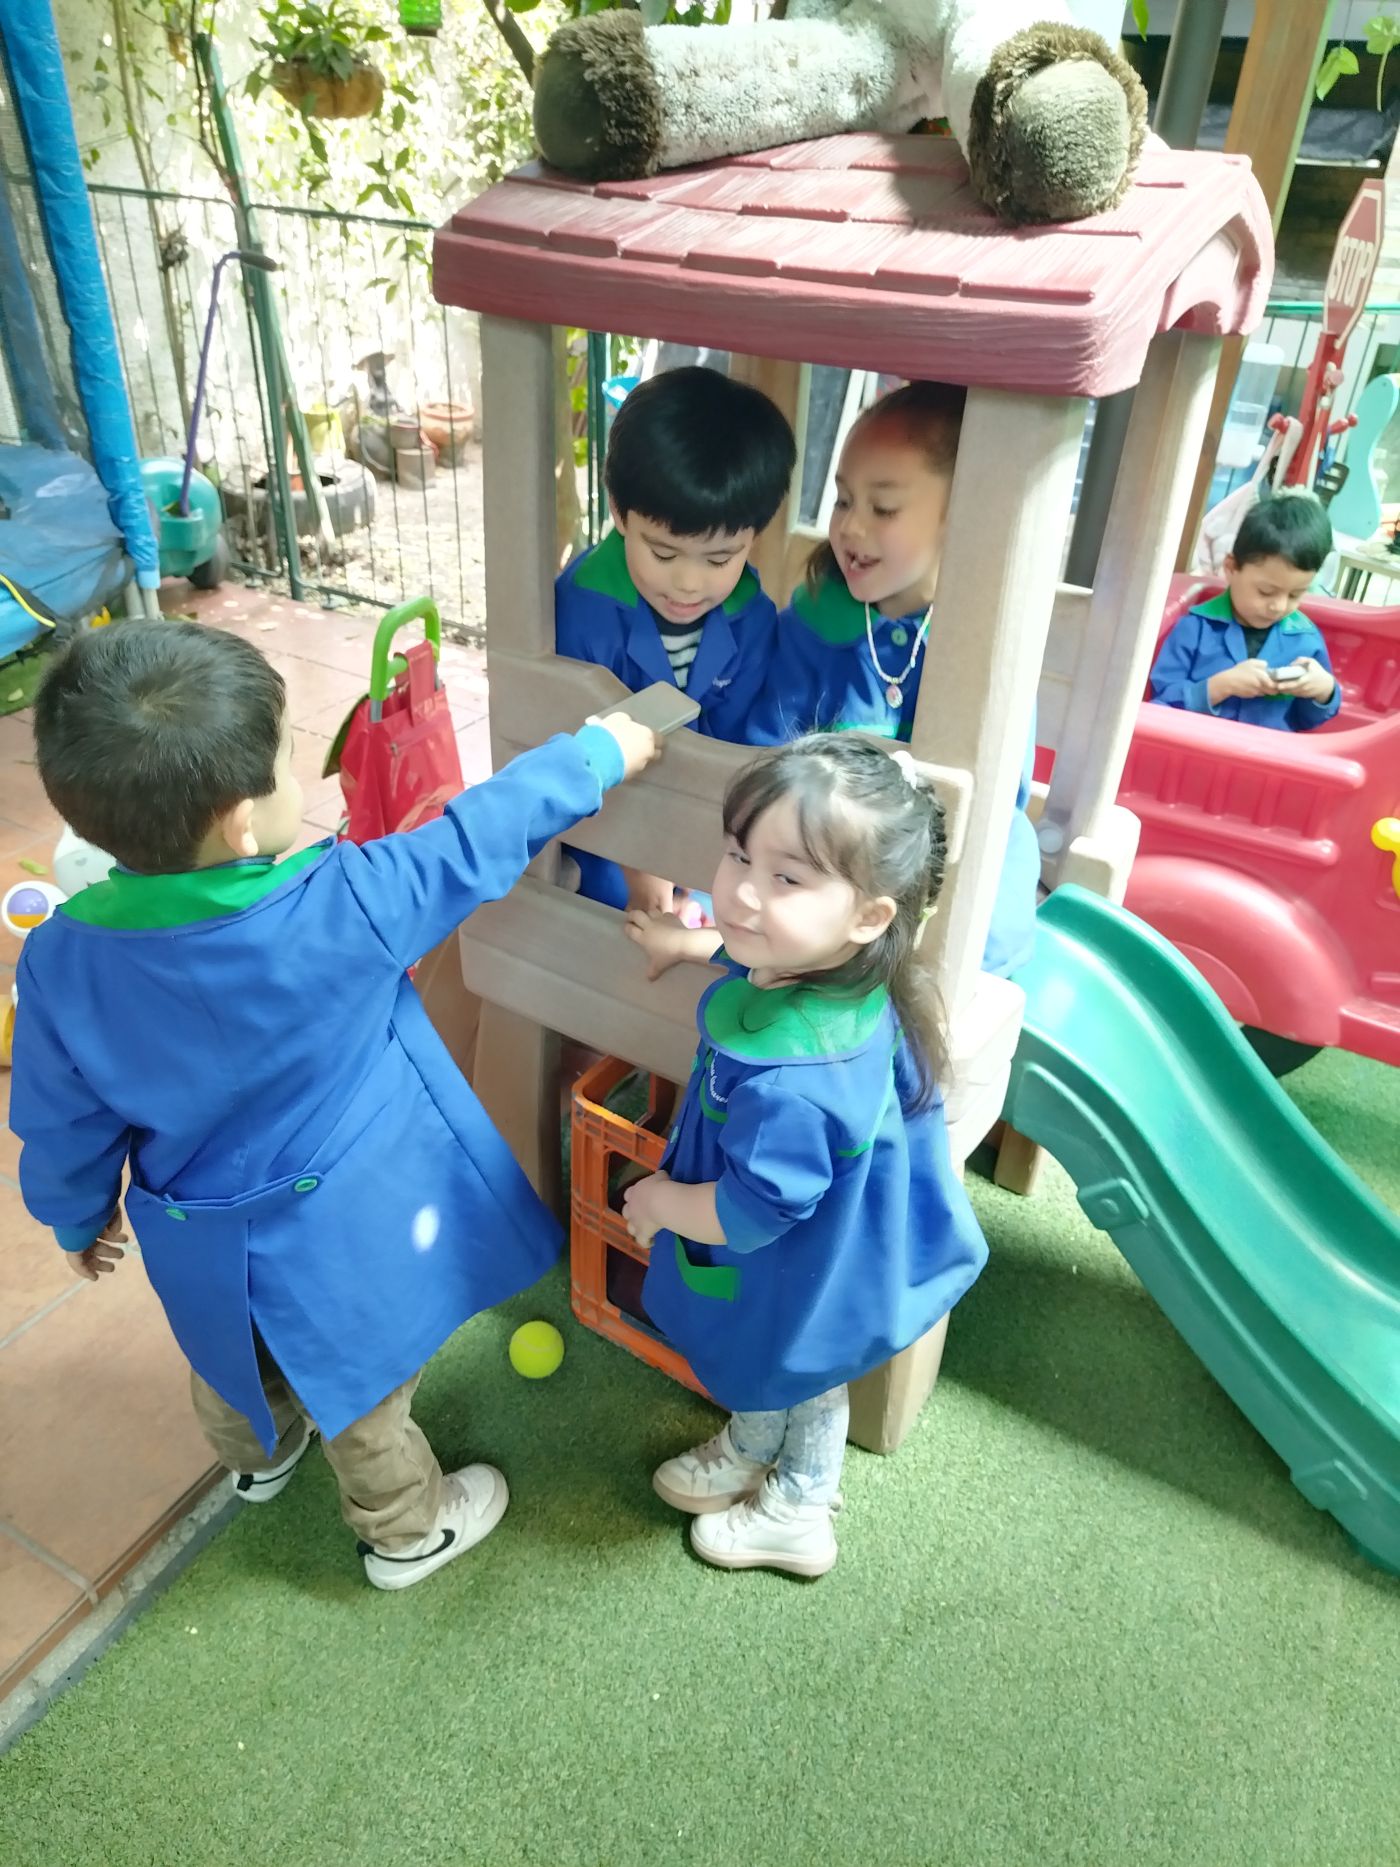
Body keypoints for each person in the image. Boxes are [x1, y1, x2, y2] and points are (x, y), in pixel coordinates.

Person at [9, 620, 658, 1592]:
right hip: (341, 1234)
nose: (296, 783)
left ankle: (256, 1459)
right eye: (283, 767)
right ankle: (406, 1530)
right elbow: (478, 836)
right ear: (239, 822)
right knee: (362, 1390)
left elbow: (60, 1120)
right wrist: (602, 748)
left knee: (229, 1354)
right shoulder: (342, 898)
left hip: (200, 1236)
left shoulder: (60, 960)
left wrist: (72, 1214)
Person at [620, 735, 988, 1578]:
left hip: (802, 1256)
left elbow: (754, 1209)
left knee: (803, 1362)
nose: (744, 891)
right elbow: (767, 954)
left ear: (869, 916)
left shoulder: (798, 1086)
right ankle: (754, 1440)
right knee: (774, 1353)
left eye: (787, 876)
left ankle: (803, 1503)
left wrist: (660, 1204)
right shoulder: (831, 965)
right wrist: (690, 943)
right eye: (738, 853)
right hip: (812, 1242)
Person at [756, 380, 1039, 978]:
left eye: (882, 508)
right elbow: (767, 743)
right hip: (825, 839)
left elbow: (1000, 795)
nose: (852, 527)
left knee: (995, 870)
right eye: (842, 500)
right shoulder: (815, 619)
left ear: (959, 517)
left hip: (937, 854)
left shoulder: (983, 639)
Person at [555, 364, 797, 916]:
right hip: (602, 822)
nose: (689, 583)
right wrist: (641, 864)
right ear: (619, 512)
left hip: (705, 817)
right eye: (663, 553)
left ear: (752, 537)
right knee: (611, 910)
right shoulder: (582, 611)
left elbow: (739, 747)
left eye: (720, 558)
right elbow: (571, 755)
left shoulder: (751, 617)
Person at [1150, 494, 1341, 731]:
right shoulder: (1194, 629)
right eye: (1265, 591)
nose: (1279, 606)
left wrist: (1325, 691)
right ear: (1230, 568)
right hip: (1196, 755)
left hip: (1265, 761)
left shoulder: (1306, 640)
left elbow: (1306, 721)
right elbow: (1159, 703)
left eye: (1295, 595)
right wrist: (1220, 686)